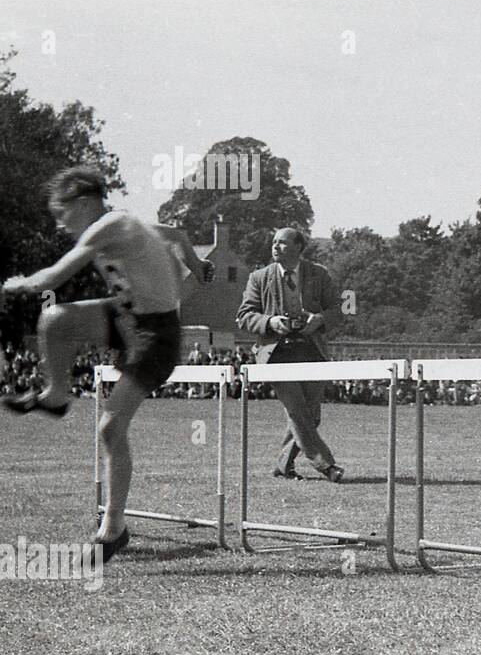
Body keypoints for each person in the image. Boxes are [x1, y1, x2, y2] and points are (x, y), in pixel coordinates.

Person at [2, 165, 214, 561]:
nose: (60, 224)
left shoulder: (108, 226)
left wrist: (12, 284)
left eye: (61, 213)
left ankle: (114, 530)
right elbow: (178, 235)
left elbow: (51, 279)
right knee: (55, 320)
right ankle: (56, 394)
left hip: (157, 335)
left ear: (82, 202)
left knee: (111, 427)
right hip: (124, 317)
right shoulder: (127, 224)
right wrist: (195, 266)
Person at [235, 228, 345, 482]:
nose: (275, 247)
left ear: (298, 247)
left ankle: (283, 465)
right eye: (274, 242)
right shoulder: (259, 278)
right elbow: (244, 315)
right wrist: (270, 322)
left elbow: (338, 310)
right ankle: (327, 465)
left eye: (282, 243)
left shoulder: (319, 274)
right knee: (297, 410)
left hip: (311, 351)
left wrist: (319, 319)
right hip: (277, 354)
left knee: (311, 415)